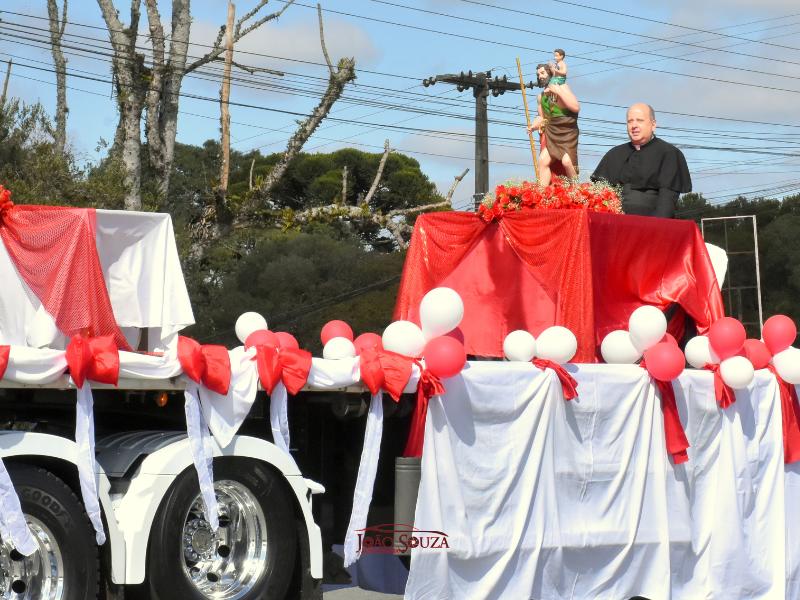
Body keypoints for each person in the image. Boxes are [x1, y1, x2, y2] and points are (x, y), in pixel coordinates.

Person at [591, 103, 691, 218]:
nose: (634, 125)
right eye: (630, 121)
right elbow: (599, 197)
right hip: (614, 223)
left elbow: (666, 203)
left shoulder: (669, 154)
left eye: (639, 120)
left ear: (653, 125)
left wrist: (651, 227)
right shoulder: (614, 154)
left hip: (650, 225)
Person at [527, 63, 580, 186]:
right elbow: (541, 117)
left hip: (566, 131)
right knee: (543, 161)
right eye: (538, 74)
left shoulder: (562, 87)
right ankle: (542, 194)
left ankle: (576, 192)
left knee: (567, 162)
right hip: (552, 133)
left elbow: (576, 107)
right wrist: (533, 126)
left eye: (542, 73)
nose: (540, 76)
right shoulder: (541, 97)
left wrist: (558, 92)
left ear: (550, 73)